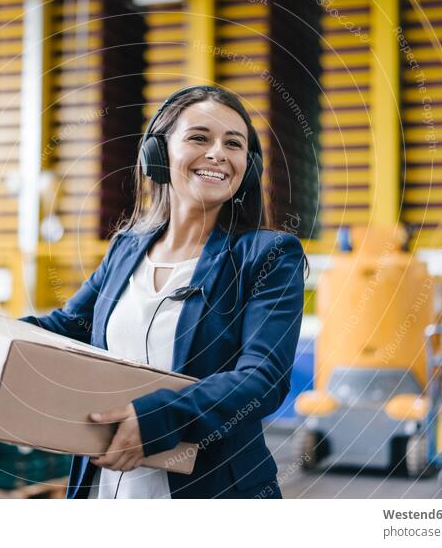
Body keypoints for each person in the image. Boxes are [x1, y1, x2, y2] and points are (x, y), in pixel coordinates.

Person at [21, 85, 305, 498]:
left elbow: (262, 379)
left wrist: (158, 419)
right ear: (158, 153)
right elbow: (66, 327)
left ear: (249, 165)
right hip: (108, 489)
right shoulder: (126, 249)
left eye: (234, 143)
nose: (218, 153)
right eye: (199, 138)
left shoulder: (269, 256)